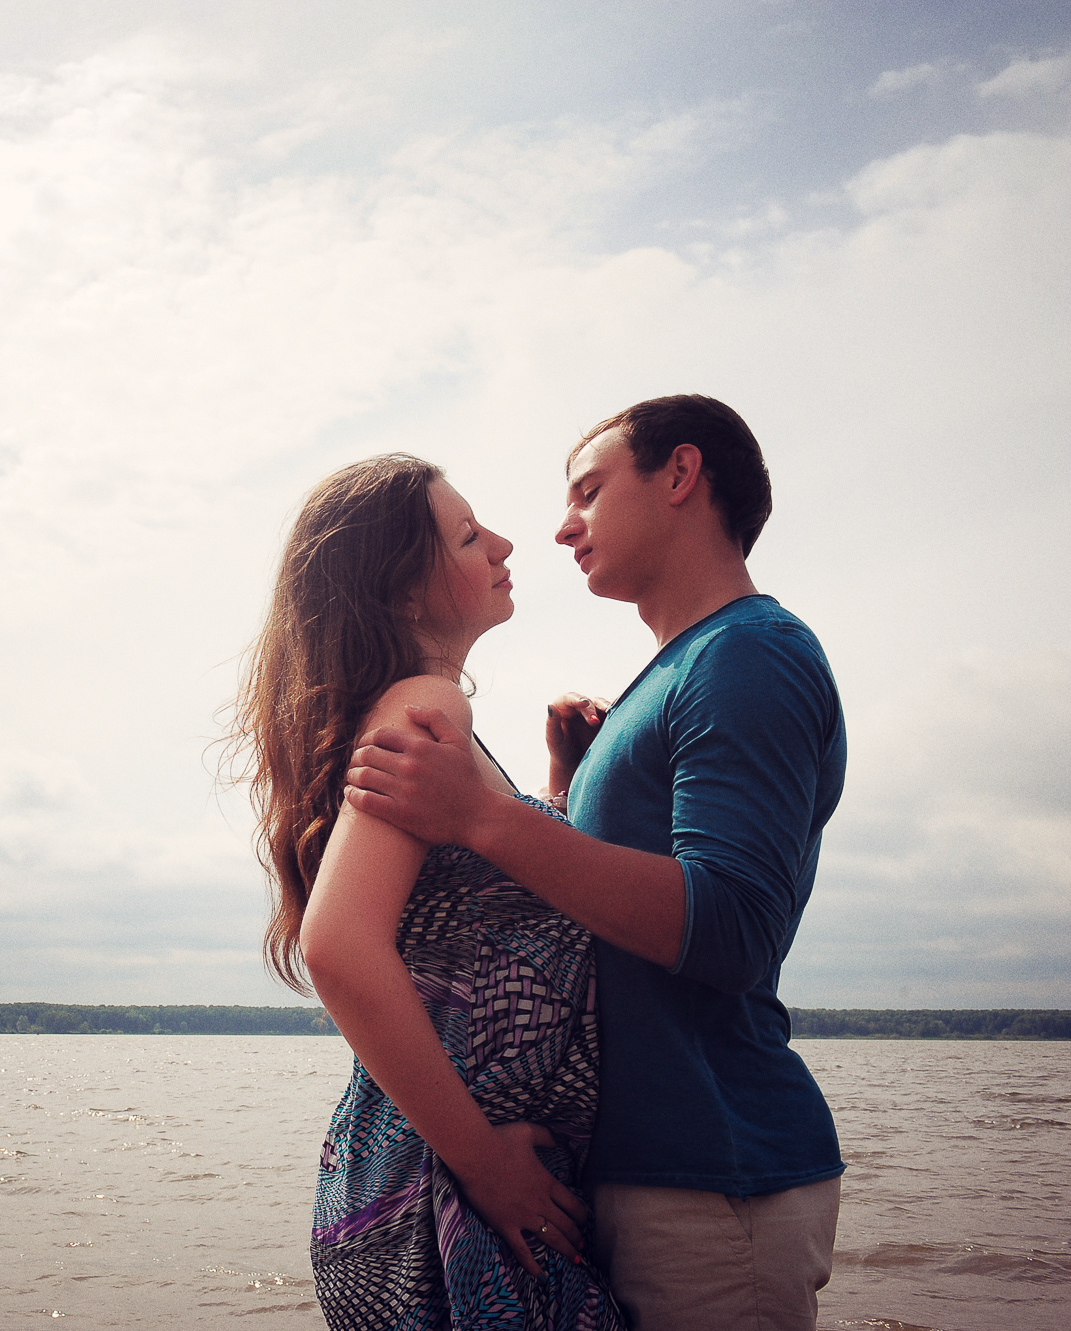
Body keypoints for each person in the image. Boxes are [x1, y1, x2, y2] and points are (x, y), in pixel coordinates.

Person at [343, 396, 847, 1330]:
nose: (561, 525)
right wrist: (567, 792)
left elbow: (729, 925)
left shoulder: (748, 656)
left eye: (588, 490)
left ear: (681, 477)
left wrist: (488, 818)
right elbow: (596, 919)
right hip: (636, 1172)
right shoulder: (676, 671)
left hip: (711, 1176)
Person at [230, 454, 623, 1329]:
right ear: (404, 593)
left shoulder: (412, 711)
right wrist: (483, 1161)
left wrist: (556, 793)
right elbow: (339, 944)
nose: (506, 543)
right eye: (469, 534)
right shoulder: (424, 704)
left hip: (422, 1173)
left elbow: (467, 923)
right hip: (446, 1191)